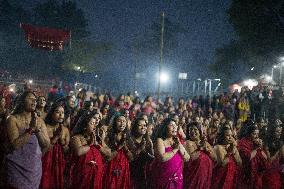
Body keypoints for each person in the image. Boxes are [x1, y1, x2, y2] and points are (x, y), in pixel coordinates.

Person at [5, 91, 50, 189]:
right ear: (22, 101)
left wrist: (36, 158)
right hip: (16, 166)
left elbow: (46, 145)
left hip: (34, 168)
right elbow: (15, 145)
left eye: (35, 100)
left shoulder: (40, 121)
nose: (34, 101)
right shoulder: (13, 119)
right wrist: (31, 130)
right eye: (30, 99)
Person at [150, 118, 190, 189]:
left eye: (175, 125)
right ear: (165, 127)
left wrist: (179, 145)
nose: (174, 127)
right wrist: (175, 149)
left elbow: (187, 158)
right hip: (164, 178)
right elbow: (162, 158)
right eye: (171, 125)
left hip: (177, 179)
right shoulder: (160, 140)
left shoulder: (176, 141)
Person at [70, 111, 105, 189]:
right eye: (92, 123)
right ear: (85, 126)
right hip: (81, 175)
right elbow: (78, 152)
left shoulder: (97, 139)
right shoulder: (76, 137)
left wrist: (100, 141)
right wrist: (90, 144)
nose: (95, 125)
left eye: (95, 123)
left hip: (96, 176)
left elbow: (108, 154)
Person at [40, 102, 70, 189]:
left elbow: (67, 152)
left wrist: (61, 140)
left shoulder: (65, 130)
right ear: (51, 113)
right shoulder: (45, 127)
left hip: (58, 164)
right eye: (57, 112)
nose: (61, 115)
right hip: (45, 162)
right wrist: (56, 137)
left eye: (63, 112)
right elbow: (42, 150)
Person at [103, 114, 134, 189]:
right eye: (119, 121)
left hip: (123, 168)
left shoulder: (128, 138)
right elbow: (107, 158)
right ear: (114, 123)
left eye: (124, 121)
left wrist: (124, 146)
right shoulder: (108, 137)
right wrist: (119, 147)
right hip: (110, 167)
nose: (122, 123)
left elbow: (131, 158)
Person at [183, 122, 216, 189]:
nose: (192, 131)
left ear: (200, 131)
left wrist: (207, 150)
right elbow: (191, 158)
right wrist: (200, 148)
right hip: (194, 177)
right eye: (190, 130)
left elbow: (215, 158)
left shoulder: (205, 143)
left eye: (195, 129)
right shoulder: (188, 143)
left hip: (205, 175)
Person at [237, 121, 269, 189]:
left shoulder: (256, 143)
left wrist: (260, 148)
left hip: (257, 175)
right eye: (254, 134)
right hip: (246, 175)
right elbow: (247, 158)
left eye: (257, 134)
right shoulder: (243, 142)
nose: (257, 136)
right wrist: (256, 148)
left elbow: (266, 158)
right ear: (249, 134)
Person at [130, 117, 154, 189]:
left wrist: (151, 147)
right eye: (140, 125)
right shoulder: (130, 140)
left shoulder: (148, 140)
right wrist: (140, 148)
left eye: (144, 125)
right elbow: (130, 159)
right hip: (133, 173)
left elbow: (152, 158)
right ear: (135, 127)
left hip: (145, 174)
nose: (143, 127)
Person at [262, 124, 284, 189]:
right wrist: (278, 152)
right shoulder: (267, 143)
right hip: (269, 168)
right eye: (277, 132)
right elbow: (269, 160)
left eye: (280, 132)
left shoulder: (280, 142)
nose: (279, 133)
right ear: (272, 132)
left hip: (278, 168)